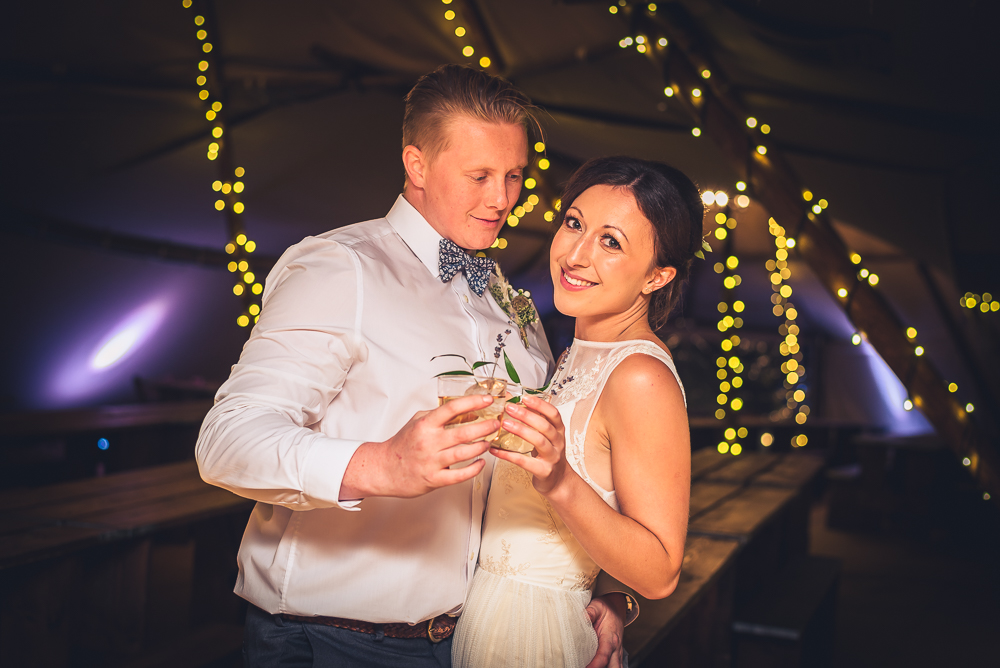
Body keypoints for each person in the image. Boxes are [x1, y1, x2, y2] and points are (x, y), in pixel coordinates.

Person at [196, 64, 630, 668]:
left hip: (468, 637)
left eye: (513, 176)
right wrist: (382, 464)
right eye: (479, 175)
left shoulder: (507, 294)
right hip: (330, 638)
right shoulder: (339, 267)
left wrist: (608, 588)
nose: (502, 199)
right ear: (417, 164)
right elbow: (225, 441)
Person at [452, 156, 699, 667]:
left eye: (611, 242)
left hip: (538, 633)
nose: (576, 254)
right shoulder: (568, 356)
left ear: (657, 276)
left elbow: (660, 571)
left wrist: (560, 481)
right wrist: (613, 594)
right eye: (574, 224)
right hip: (488, 618)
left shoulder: (639, 376)